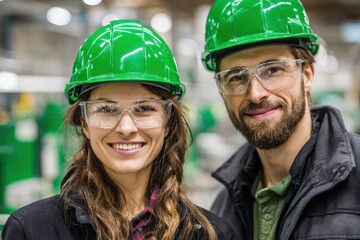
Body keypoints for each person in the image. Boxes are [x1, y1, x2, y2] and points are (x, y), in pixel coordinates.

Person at [2, 20, 237, 240]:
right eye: (106, 109)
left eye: (144, 108)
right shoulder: (32, 231)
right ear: (84, 123)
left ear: (167, 122)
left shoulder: (210, 233)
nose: (126, 128)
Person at [201, 0, 360, 239]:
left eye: (273, 70)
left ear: (307, 75)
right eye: (236, 77)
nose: (255, 94)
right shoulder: (224, 208)